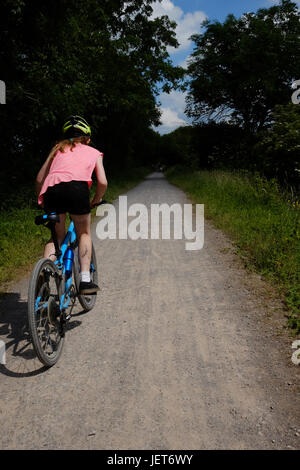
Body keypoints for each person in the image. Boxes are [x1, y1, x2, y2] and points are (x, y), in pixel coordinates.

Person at [35, 115, 107, 294]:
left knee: (56, 238)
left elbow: (39, 178)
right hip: (77, 189)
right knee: (84, 233)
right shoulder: (94, 152)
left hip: (52, 189)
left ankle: (43, 281)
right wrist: (96, 199)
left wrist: (42, 199)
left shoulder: (57, 149)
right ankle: (84, 280)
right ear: (87, 139)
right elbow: (103, 182)